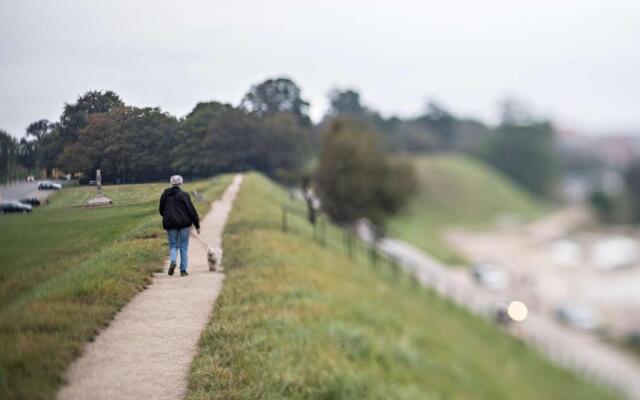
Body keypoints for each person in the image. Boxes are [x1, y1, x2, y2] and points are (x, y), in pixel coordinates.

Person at [159, 175, 200, 276]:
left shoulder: (165, 194)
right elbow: (191, 211)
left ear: (171, 183)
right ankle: (183, 270)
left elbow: (161, 209)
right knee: (183, 247)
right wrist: (197, 225)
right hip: (184, 224)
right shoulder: (184, 195)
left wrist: (168, 217)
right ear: (181, 183)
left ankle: (173, 261)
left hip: (170, 224)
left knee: (173, 245)